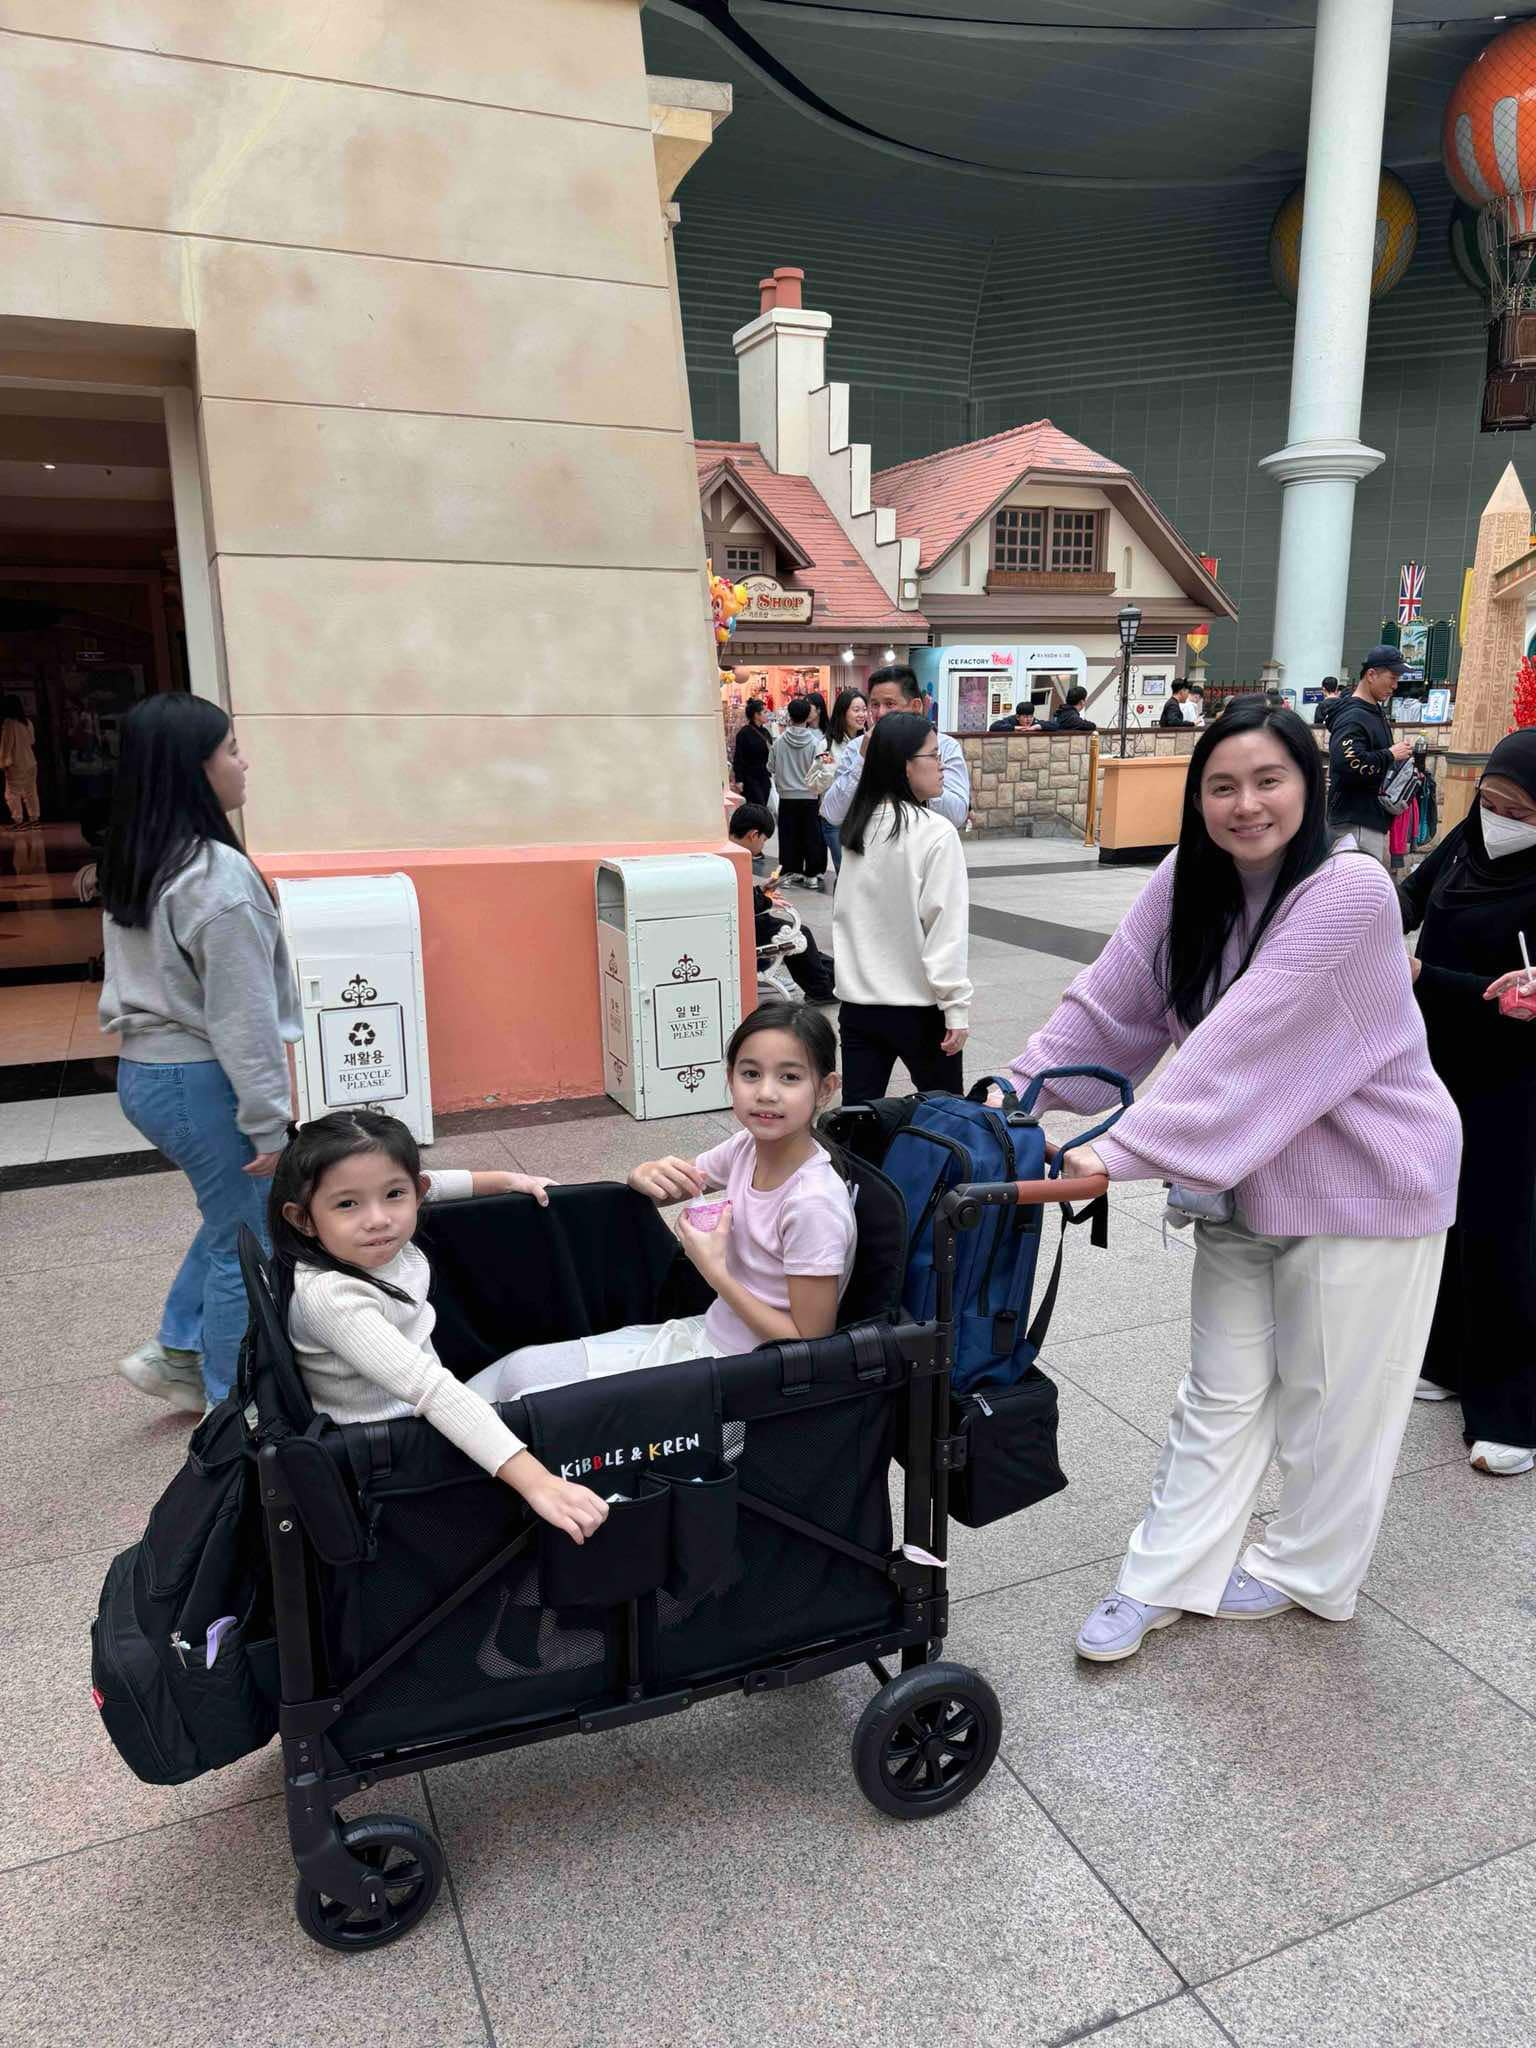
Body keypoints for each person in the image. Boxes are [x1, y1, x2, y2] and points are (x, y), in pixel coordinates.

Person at [986, 698, 1459, 1663]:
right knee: (1220, 1388)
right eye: (1222, 786)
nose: (1246, 806)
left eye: (1269, 781)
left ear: (1310, 785)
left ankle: (1311, 1572)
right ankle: (1160, 1576)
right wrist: (1014, 1099)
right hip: (1240, 1182)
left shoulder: (1351, 890)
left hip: (1366, 1183)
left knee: (1334, 1403)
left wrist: (1112, 1152)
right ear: (1197, 796)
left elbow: (1243, 1048)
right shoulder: (1185, 881)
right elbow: (1110, 1003)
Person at [468, 1003, 857, 1395]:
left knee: (529, 1403)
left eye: (789, 1077)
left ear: (825, 1088)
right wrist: (643, 1175)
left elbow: (810, 1345)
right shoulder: (746, 1147)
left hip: (743, 1385)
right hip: (701, 1339)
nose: (766, 1093)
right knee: (518, 1370)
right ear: (731, 1079)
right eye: (751, 1074)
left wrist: (714, 1272)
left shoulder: (812, 1203)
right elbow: (679, 1183)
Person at [99, 695, 303, 1413]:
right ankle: (233, 1404)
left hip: (146, 1074)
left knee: (230, 1218)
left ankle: (177, 1349)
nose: (243, 763)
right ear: (196, 768)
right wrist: (271, 1125)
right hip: (200, 1077)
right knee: (246, 1241)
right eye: (232, 749)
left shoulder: (141, 856)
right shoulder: (215, 873)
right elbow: (241, 1018)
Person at [269, 1111, 604, 1546]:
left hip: (421, 1408)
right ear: (304, 1220)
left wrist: (507, 1180)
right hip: (394, 1450)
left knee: (548, 1372)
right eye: (347, 1204)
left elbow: (431, 1182)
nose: (378, 1219)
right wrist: (539, 1482)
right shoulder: (332, 1296)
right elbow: (430, 1389)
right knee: (568, 1428)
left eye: (393, 1195)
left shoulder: (376, 1230)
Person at [1400, 729, 1536, 1476]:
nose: (1499, 818)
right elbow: (1412, 898)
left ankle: (1511, 1405)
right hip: (1440, 1062)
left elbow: (1498, 995)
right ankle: (1449, 1358)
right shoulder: (1469, 840)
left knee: (1504, 1232)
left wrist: (1423, 973)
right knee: (1445, 1214)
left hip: (1515, 1075)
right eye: (1491, 800)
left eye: (1520, 810)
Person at [833, 712, 971, 1102]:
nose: (942, 765)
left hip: (858, 1008)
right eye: (933, 755)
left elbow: (848, 917)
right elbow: (945, 928)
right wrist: (956, 1008)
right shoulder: (936, 833)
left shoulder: (857, 828)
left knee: (858, 1129)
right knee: (946, 1124)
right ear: (905, 766)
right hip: (920, 1009)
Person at [820, 664, 971, 831]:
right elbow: (832, 813)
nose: (880, 713)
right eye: (875, 704)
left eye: (890, 704)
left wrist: (921, 772)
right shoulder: (858, 748)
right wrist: (863, 761)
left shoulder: (944, 746)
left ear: (915, 707)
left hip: (924, 849)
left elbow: (957, 815)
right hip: (870, 850)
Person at [728, 803, 837, 1001]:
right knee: (797, 934)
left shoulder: (729, 853)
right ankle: (822, 989)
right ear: (753, 834)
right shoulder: (735, 859)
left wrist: (761, 891)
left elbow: (737, 897)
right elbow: (740, 902)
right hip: (739, 927)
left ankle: (835, 977)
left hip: (739, 922)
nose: (762, 846)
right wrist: (767, 901)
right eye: (763, 840)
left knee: (801, 938)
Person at [1328, 644, 1413, 867]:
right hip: (1356, 821)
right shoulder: (1354, 716)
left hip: (1369, 819)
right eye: (1392, 678)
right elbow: (1346, 763)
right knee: (1358, 893)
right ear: (1371, 674)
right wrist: (1390, 755)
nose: (1395, 686)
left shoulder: (1371, 710)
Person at [769, 696, 830, 890]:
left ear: (789, 716)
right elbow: (825, 768)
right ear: (807, 716)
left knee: (788, 837)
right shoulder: (816, 742)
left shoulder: (778, 742)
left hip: (786, 797)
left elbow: (770, 766)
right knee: (811, 836)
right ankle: (811, 875)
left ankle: (788, 873)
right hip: (810, 797)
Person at [823, 687, 868, 873]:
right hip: (836, 818)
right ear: (843, 712)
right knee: (845, 874)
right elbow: (815, 782)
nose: (862, 715)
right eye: (856, 710)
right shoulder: (827, 744)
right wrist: (830, 770)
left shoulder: (869, 741)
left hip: (861, 816)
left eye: (864, 709)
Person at [0, 692, 40, 828]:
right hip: (31, 761)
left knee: (12, 792)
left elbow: (6, 745)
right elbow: (32, 741)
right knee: (30, 791)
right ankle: (34, 818)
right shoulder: (27, 722)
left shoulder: (9, 723)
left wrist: (3, 762)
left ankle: (18, 821)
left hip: (16, 762)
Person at [731, 697, 773, 809]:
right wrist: (739, 779)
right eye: (764, 712)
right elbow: (738, 757)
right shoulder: (744, 733)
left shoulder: (765, 732)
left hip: (765, 777)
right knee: (757, 807)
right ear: (756, 715)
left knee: (763, 806)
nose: (767, 714)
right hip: (750, 778)